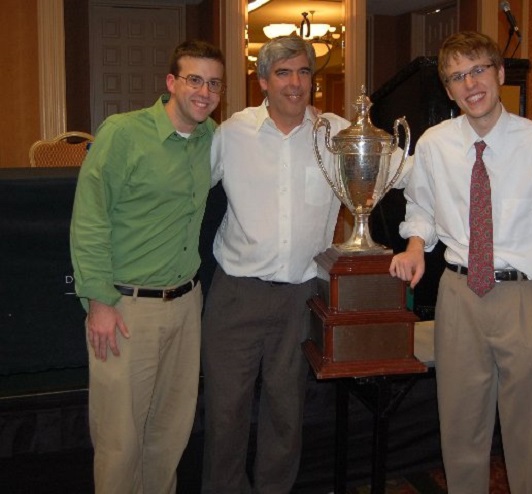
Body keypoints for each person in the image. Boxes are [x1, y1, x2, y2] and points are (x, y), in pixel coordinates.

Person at [201, 35, 409, 494]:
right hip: (236, 295)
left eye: (304, 73)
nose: (295, 83)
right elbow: (187, 185)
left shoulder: (338, 134)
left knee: (285, 415)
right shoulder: (232, 133)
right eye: (283, 73)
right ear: (262, 81)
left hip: (300, 298)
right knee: (224, 415)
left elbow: (407, 170)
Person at [389, 31, 532, 494]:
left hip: (525, 297)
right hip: (458, 297)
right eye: (457, 76)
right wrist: (417, 245)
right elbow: (420, 207)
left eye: (478, 69)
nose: (470, 83)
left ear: (499, 74)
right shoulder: (435, 145)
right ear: (448, 89)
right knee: (460, 428)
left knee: (531, 432)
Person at [70, 40, 225, 494]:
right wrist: (99, 301)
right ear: (171, 83)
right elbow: (90, 219)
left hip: (185, 303)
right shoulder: (122, 133)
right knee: (120, 442)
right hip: (126, 309)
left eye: (214, 83)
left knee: (169, 435)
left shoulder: (210, 138)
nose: (204, 91)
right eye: (194, 79)